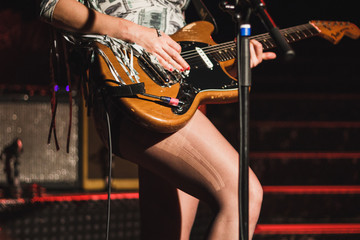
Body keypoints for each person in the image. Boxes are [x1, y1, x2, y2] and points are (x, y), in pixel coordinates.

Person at [39, 0, 276, 239]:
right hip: (129, 81)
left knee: (168, 234)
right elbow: (51, 6)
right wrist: (135, 33)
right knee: (241, 195)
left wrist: (234, 65)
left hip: (178, 92)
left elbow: (180, 30)